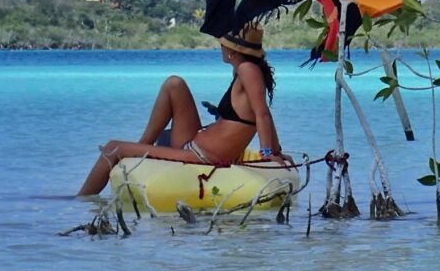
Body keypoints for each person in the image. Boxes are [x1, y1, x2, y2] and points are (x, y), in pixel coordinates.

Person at [76, 24, 291, 196]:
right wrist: (276, 149)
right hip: (195, 142)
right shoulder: (244, 70)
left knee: (113, 148)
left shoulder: (247, 70)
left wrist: (268, 154)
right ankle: (140, 148)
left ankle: (80, 201)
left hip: (200, 156)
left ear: (234, 51)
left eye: (223, 44)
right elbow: (260, 114)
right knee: (174, 84)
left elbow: (263, 114)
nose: (221, 47)